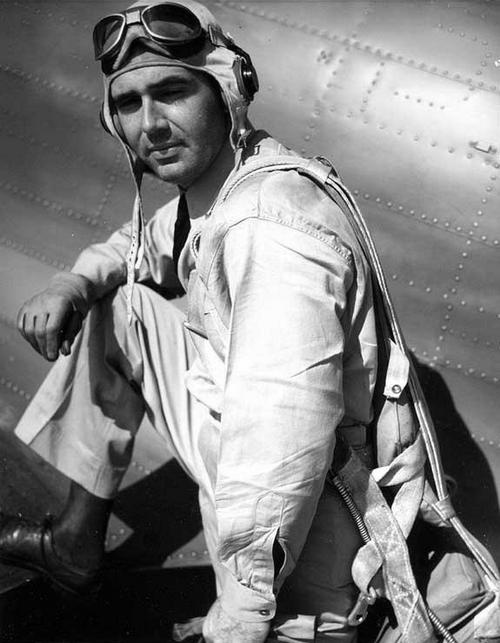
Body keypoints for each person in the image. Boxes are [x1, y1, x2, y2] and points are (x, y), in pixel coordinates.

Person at [0, 1, 379, 641]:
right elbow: (138, 244)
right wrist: (73, 283)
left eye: (173, 92)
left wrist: (238, 614)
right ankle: (74, 544)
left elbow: (280, 449)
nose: (150, 125)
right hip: (242, 435)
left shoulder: (270, 229)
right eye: (128, 104)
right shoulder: (222, 183)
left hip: (315, 520)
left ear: (228, 94)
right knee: (122, 307)